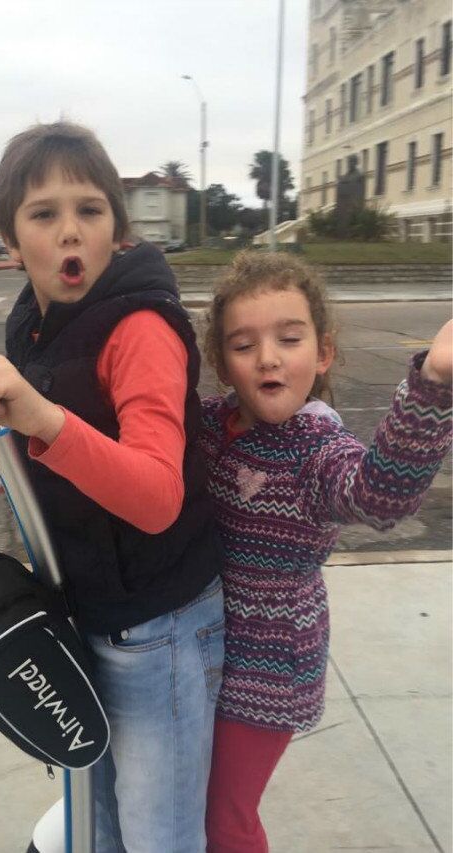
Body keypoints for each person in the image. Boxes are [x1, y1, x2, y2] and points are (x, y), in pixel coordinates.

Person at [0, 121, 225, 853]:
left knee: (158, 836)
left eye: (89, 210)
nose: (70, 230)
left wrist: (44, 416)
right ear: (12, 243)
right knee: (95, 825)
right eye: (44, 214)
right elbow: (17, 474)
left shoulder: (140, 329)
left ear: (117, 230)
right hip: (88, 616)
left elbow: (156, 497)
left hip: (159, 628)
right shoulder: (38, 329)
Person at [199, 251, 452, 853]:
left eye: (289, 338)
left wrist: (436, 383)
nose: (268, 357)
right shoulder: (209, 423)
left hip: (270, 667)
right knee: (194, 797)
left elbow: (378, 496)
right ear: (223, 365)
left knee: (226, 817)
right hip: (206, 649)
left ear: (323, 353)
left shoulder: (315, 448)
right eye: (244, 345)